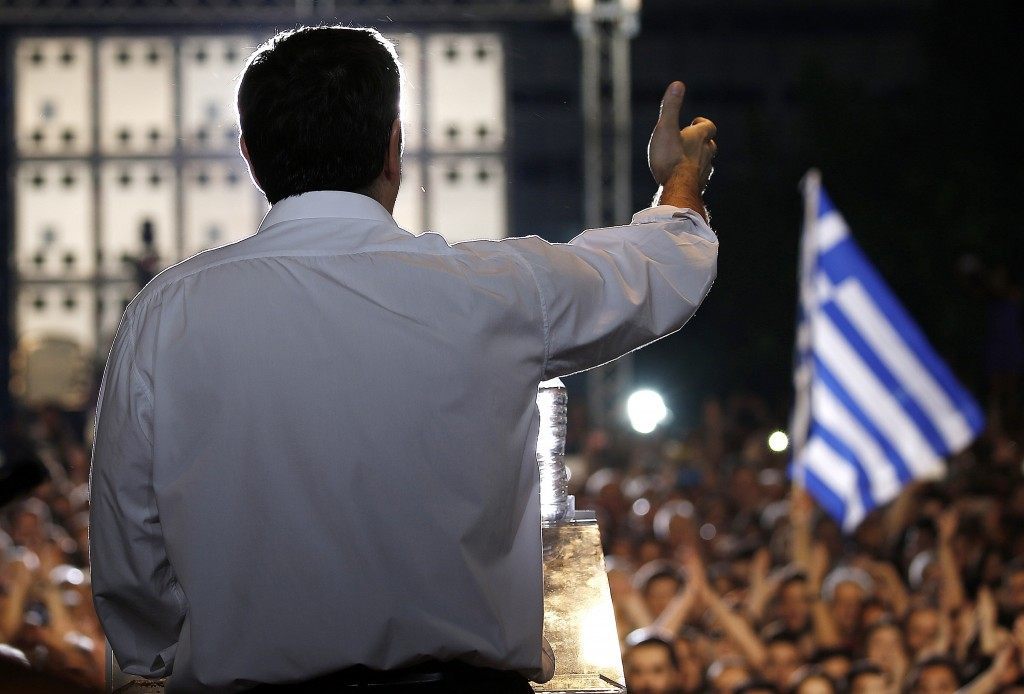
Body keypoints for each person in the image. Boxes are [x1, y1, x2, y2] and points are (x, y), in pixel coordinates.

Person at [87, 24, 719, 693]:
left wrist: (155, 656)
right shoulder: (494, 290)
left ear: (249, 155)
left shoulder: (166, 315)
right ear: (394, 147)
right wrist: (680, 182)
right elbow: (656, 270)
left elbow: (131, 559)